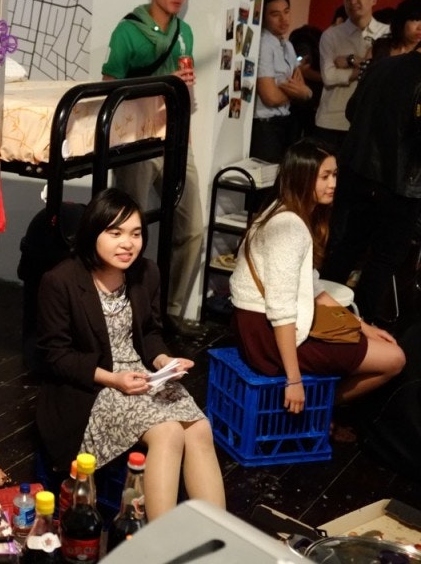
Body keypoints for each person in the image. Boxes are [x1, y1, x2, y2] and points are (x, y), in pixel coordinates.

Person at [35, 188, 225, 521]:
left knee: (198, 428)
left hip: (138, 373)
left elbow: (149, 333)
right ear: (94, 233)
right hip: (91, 386)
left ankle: (220, 539)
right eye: (116, 232)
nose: (128, 243)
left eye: (136, 233)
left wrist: (164, 361)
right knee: (167, 432)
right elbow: (55, 356)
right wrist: (114, 379)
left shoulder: (146, 273)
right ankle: (155, 548)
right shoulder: (60, 281)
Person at [230, 140, 405, 412]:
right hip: (267, 335)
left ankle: (318, 410)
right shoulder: (289, 227)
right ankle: (320, 410)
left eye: (334, 175)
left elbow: (314, 290)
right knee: (395, 359)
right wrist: (294, 379)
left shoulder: (283, 211)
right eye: (324, 177)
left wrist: (365, 328)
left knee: (376, 345)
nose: (333, 183)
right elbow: (282, 310)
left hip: (262, 327)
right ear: (302, 177)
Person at [102, 0, 205, 338]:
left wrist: (186, 124)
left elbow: (187, 87)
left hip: (175, 138)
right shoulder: (128, 31)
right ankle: (120, 310)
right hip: (134, 140)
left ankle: (169, 311)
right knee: (127, 228)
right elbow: (109, 88)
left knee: (192, 227)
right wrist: (161, 85)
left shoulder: (185, 31)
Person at [321, 41, 421, 327]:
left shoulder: (382, 66)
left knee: (346, 248)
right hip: (401, 183)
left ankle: (318, 317)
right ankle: (357, 328)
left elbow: (353, 111)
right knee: (382, 259)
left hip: (358, 172)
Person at [314, 0, 389, 155]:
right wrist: (364, 67)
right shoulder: (331, 35)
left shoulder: (386, 34)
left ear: (373, 0)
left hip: (368, 121)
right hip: (331, 120)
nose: (352, 1)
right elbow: (329, 77)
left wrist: (349, 60)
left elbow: (382, 74)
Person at [251, 0, 314, 164]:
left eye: (286, 12)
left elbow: (299, 83)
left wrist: (299, 91)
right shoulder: (264, 44)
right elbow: (270, 96)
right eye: (275, 14)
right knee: (266, 183)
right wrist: (299, 93)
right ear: (264, 17)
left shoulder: (288, 45)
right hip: (266, 126)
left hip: (286, 122)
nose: (283, 19)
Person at [367, 0, 421, 64]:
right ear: (401, 21)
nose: (420, 27)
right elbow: (367, 72)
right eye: (416, 20)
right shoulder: (382, 46)